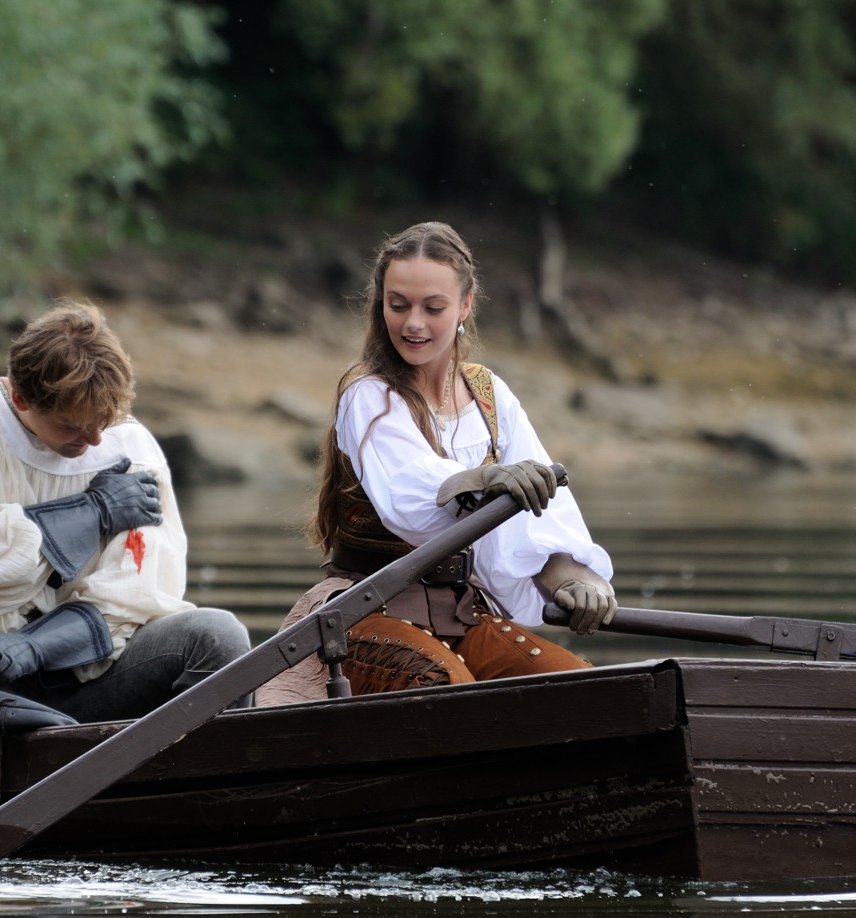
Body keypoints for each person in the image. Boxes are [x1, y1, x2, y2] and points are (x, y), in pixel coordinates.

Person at [258, 221, 617, 705]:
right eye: (398, 304)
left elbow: (538, 521)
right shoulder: (368, 393)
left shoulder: (490, 395)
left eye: (434, 307)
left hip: (463, 614)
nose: (413, 324)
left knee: (580, 689)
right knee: (450, 695)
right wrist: (484, 479)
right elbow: (408, 497)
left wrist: (573, 579)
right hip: (363, 615)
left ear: (465, 306)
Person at [0, 298, 251, 733]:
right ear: (20, 396)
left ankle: (188, 781)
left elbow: (138, 593)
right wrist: (94, 510)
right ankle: (58, 739)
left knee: (221, 637)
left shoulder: (129, 445)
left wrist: (34, 647)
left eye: (103, 420)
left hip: (106, 676)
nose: (95, 438)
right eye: (72, 426)